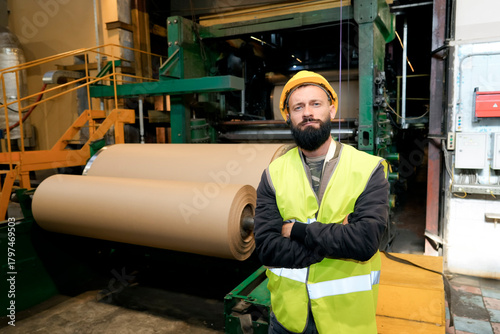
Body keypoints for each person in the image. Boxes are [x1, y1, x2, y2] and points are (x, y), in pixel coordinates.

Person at [254, 70, 389, 334]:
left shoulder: (368, 169)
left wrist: (296, 231)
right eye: (298, 107)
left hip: (347, 323)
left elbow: (364, 242)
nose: (307, 113)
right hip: (287, 320)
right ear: (288, 116)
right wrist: (338, 238)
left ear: (332, 108)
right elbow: (268, 248)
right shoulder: (273, 173)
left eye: (316, 104)